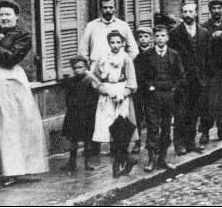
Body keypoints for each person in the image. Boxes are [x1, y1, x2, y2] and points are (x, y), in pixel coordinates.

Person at [0, 0, 48, 187]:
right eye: (1, 14)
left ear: (16, 16)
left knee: (9, 126)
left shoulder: (23, 36)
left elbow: (11, 59)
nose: (4, 18)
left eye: (8, 14)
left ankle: (12, 170)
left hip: (9, 82)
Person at [137, 25, 185, 172]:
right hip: (153, 96)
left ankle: (162, 158)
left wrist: (175, 88)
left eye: (163, 36)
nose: (160, 39)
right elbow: (141, 76)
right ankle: (151, 159)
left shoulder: (174, 54)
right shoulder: (147, 55)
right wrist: (149, 87)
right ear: (153, 38)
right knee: (152, 127)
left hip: (168, 96)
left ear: (167, 38)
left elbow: (181, 75)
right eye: (157, 36)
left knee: (166, 127)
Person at [91, 30, 138, 177]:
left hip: (121, 94)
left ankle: (118, 164)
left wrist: (123, 94)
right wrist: (102, 89)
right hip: (107, 95)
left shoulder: (126, 59)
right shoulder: (103, 58)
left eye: (118, 42)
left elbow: (132, 82)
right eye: (112, 42)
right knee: (108, 128)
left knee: (120, 129)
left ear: (123, 43)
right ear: (108, 43)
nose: (115, 45)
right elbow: (95, 79)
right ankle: (125, 160)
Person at [169, 3, 209, 155]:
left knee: (194, 112)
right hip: (182, 79)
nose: (187, 14)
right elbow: (172, 57)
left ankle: (191, 142)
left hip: (198, 79)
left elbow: (207, 56)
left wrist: (205, 77)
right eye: (185, 12)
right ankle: (179, 144)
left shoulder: (204, 33)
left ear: (196, 13)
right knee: (180, 112)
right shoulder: (174, 33)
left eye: (190, 11)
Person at [199, 0, 222, 145]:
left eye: (219, 8)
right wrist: (212, 37)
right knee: (208, 101)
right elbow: (201, 47)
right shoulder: (204, 27)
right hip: (210, 70)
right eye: (213, 8)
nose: (216, 11)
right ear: (210, 11)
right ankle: (205, 131)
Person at [60, 56, 98, 172]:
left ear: (86, 67)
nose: (77, 70)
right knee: (73, 139)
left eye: (80, 67)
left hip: (87, 114)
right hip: (74, 114)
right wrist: (72, 105)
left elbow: (94, 97)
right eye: (75, 68)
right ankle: (72, 162)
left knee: (88, 139)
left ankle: (88, 162)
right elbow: (68, 98)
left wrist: (88, 108)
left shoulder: (90, 81)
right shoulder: (70, 81)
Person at [78, 0, 138, 67]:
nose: (108, 10)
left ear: (115, 8)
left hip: (117, 67)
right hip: (96, 66)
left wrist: (124, 64)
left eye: (111, 7)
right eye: (105, 8)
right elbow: (83, 50)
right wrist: (89, 65)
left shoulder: (123, 26)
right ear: (100, 9)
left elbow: (133, 50)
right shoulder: (91, 26)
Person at [131, 27, 154, 155]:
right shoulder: (135, 55)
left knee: (151, 117)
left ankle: (151, 142)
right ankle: (137, 142)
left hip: (151, 90)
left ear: (151, 38)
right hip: (138, 90)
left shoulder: (154, 54)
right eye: (140, 37)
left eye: (146, 36)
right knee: (137, 117)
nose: (143, 39)